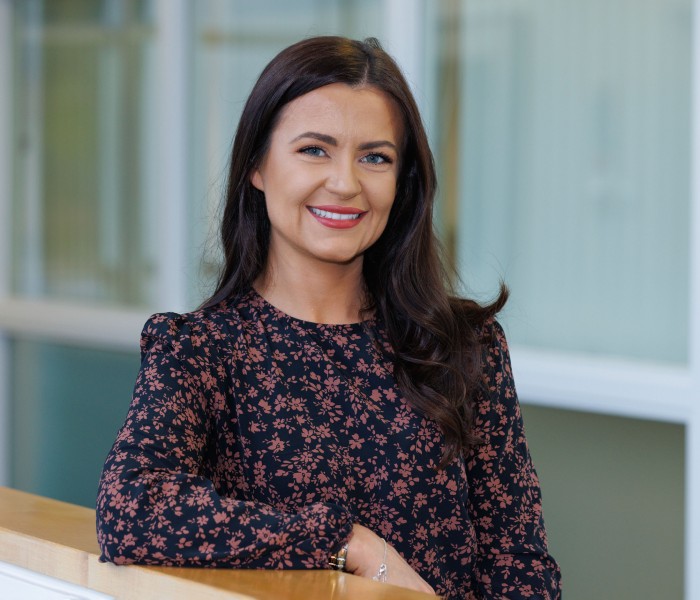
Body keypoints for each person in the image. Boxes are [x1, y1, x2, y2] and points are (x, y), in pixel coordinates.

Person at [96, 36, 562, 599]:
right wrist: (349, 542)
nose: (346, 183)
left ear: (402, 181)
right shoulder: (199, 349)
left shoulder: (463, 345)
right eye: (314, 149)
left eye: (375, 157)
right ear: (257, 167)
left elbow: (522, 564)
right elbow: (132, 511)